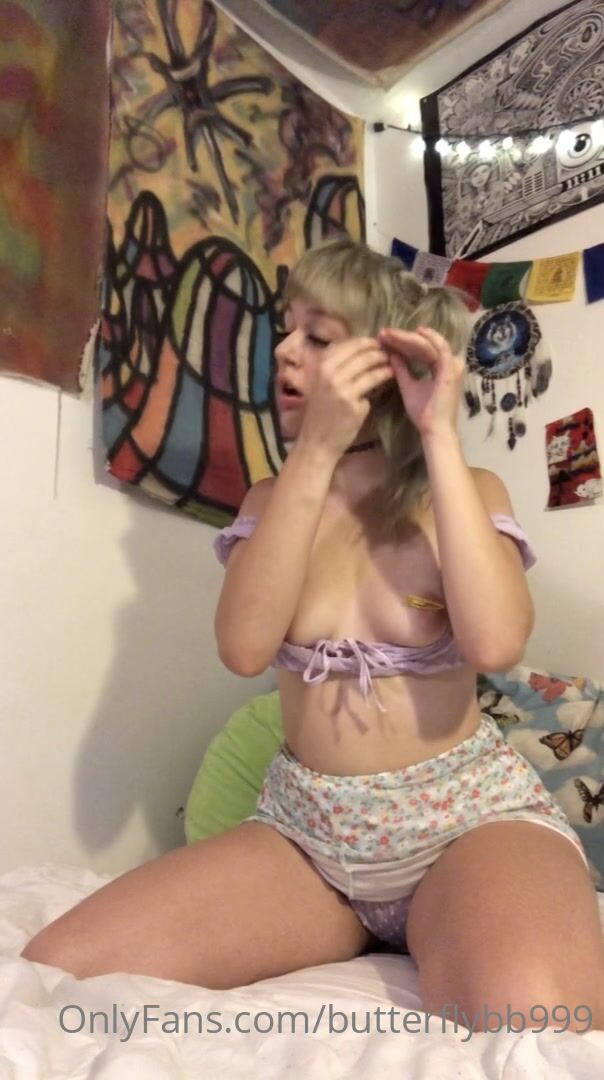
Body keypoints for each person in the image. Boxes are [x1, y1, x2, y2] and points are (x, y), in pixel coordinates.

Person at [22, 237, 604, 1032]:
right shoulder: (271, 499)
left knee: (544, 1025)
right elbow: (243, 648)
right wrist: (319, 450)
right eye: (285, 329)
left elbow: (497, 643)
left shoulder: (468, 488)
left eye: (319, 337)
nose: (284, 352)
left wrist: (438, 434)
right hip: (308, 835)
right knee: (54, 970)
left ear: (388, 364)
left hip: (465, 825)